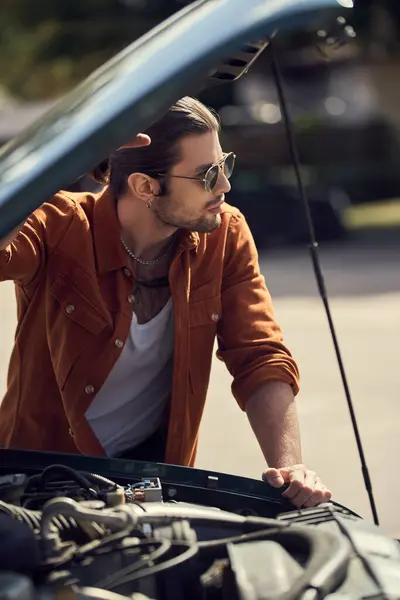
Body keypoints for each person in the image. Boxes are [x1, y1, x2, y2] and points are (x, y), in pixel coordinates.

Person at [0, 96, 331, 509]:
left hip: (148, 488)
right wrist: (46, 165)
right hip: (35, 489)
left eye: (224, 165)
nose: (225, 186)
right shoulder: (59, 225)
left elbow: (259, 355)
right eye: (208, 175)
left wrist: (290, 469)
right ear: (145, 186)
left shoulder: (225, 233)